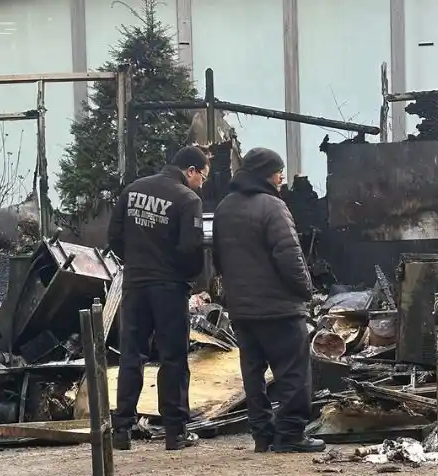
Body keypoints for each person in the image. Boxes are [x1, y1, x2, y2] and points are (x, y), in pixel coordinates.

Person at [212, 148, 326, 454]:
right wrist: (306, 292)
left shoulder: (224, 208)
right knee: (293, 373)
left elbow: (218, 259)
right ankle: (290, 435)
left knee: (253, 374)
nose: (281, 177)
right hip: (279, 309)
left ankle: (262, 435)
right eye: (279, 171)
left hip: (243, 310)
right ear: (266, 173)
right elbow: (290, 256)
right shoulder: (273, 207)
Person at [108, 145, 209, 451]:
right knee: (173, 357)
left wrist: (137, 263)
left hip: (135, 284)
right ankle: (175, 433)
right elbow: (192, 250)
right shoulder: (187, 199)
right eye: (202, 176)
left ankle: (121, 430)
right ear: (189, 171)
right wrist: (185, 277)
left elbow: (114, 237)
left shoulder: (133, 190)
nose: (202, 183)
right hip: (168, 288)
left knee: (132, 355)